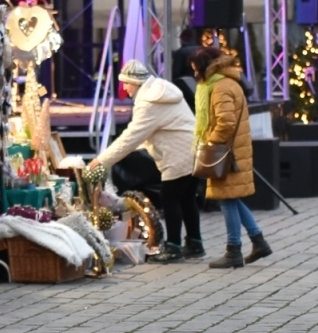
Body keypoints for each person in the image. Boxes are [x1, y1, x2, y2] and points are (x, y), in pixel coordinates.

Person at [89, 60, 201, 262]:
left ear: (136, 82)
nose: (125, 88)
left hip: (178, 154)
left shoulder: (150, 102)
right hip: (192, 150)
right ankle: (195, 243)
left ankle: (173, 247)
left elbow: (132, 137)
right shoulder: (163, 90)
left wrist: (102, 160)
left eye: (126, 83)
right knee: (187, 197)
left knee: (169, 197)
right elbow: (149, 134)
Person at [192, 47, 270, 268]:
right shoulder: (227, 82)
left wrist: (210, 141)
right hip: (234, 150)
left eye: (196, 68)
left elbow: (225, 122)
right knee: (231, 197)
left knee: (226, 199)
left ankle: (233, 250)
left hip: (226, 153)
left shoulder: (219, 87)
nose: (194, 73)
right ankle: (258, 241)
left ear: (205, 67)